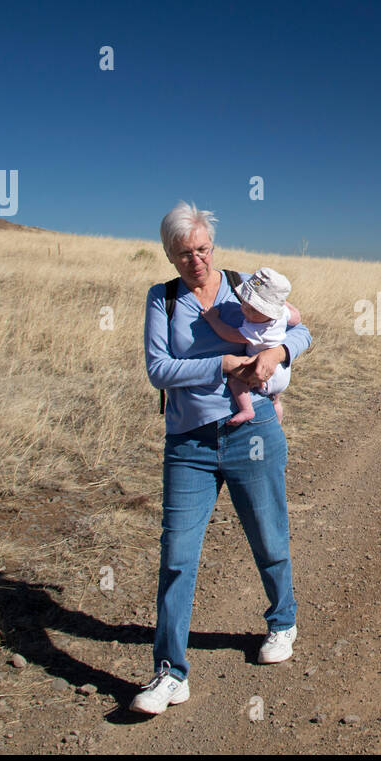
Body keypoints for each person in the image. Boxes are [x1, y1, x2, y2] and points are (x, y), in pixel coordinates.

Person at [132, 201, 313, 715]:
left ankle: (282, 623)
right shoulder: (163, 300)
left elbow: (302, 329)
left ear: (214, 247)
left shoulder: (242, 285)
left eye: (204, 249)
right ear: (170, 255)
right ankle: (170, 673)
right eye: (185, 253)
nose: (197, 261)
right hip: (188, 443)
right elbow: (158, 370)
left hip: (251, 430)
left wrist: (277, 355)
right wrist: (223, 363)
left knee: (269, 533)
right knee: (177, 555)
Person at [201, 267, 302, 425]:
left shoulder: (257, 329)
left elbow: (229, 334)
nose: (246, 311)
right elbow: (296, 318)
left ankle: (246, 409)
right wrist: (281, 302)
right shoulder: (282, 313)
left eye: (254, 310)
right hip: (283, 370)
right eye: (245, 303)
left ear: (269, 312)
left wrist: (213, 319)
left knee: (235, 380)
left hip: (264, 373)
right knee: (275, 402)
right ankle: (277, 425)